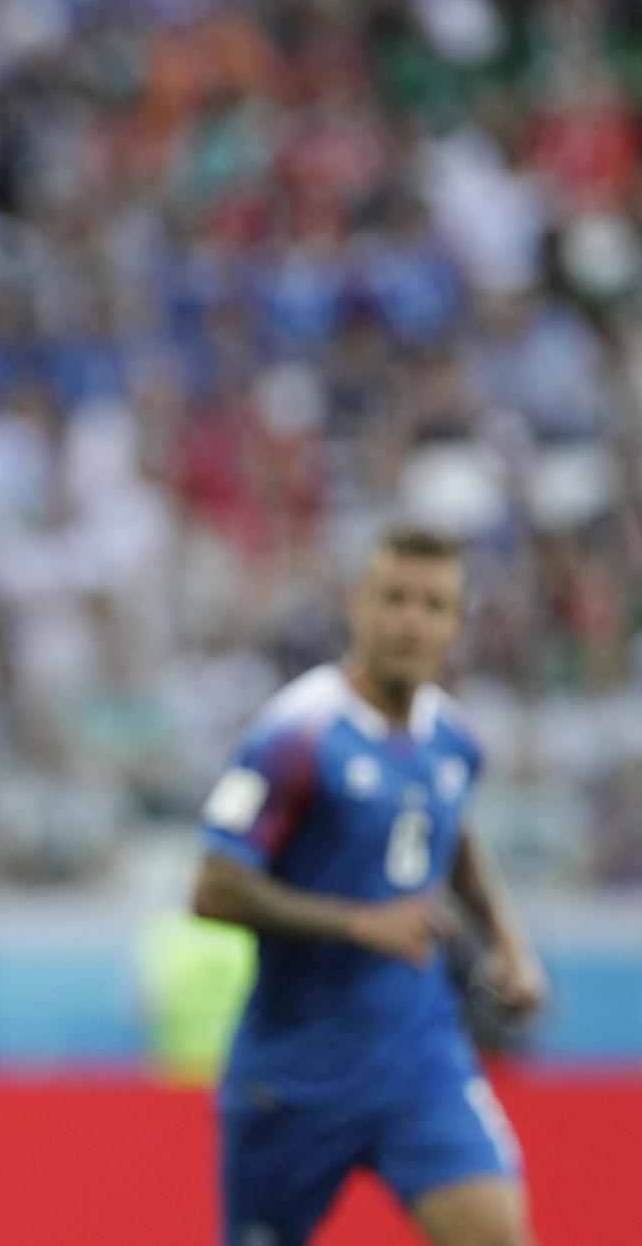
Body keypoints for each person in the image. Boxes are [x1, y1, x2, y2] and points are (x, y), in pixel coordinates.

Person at [191, 526, 546, 1246]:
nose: (412, 619)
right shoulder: (295, 733)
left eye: (434, 604)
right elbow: (214, 888)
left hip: (421, 1062)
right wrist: (362, 922)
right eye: (395, 598)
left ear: (457, 621)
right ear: (356, 604)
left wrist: (512, 945)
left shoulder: (456, 739)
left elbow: (454, 835)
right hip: (295, 1077)